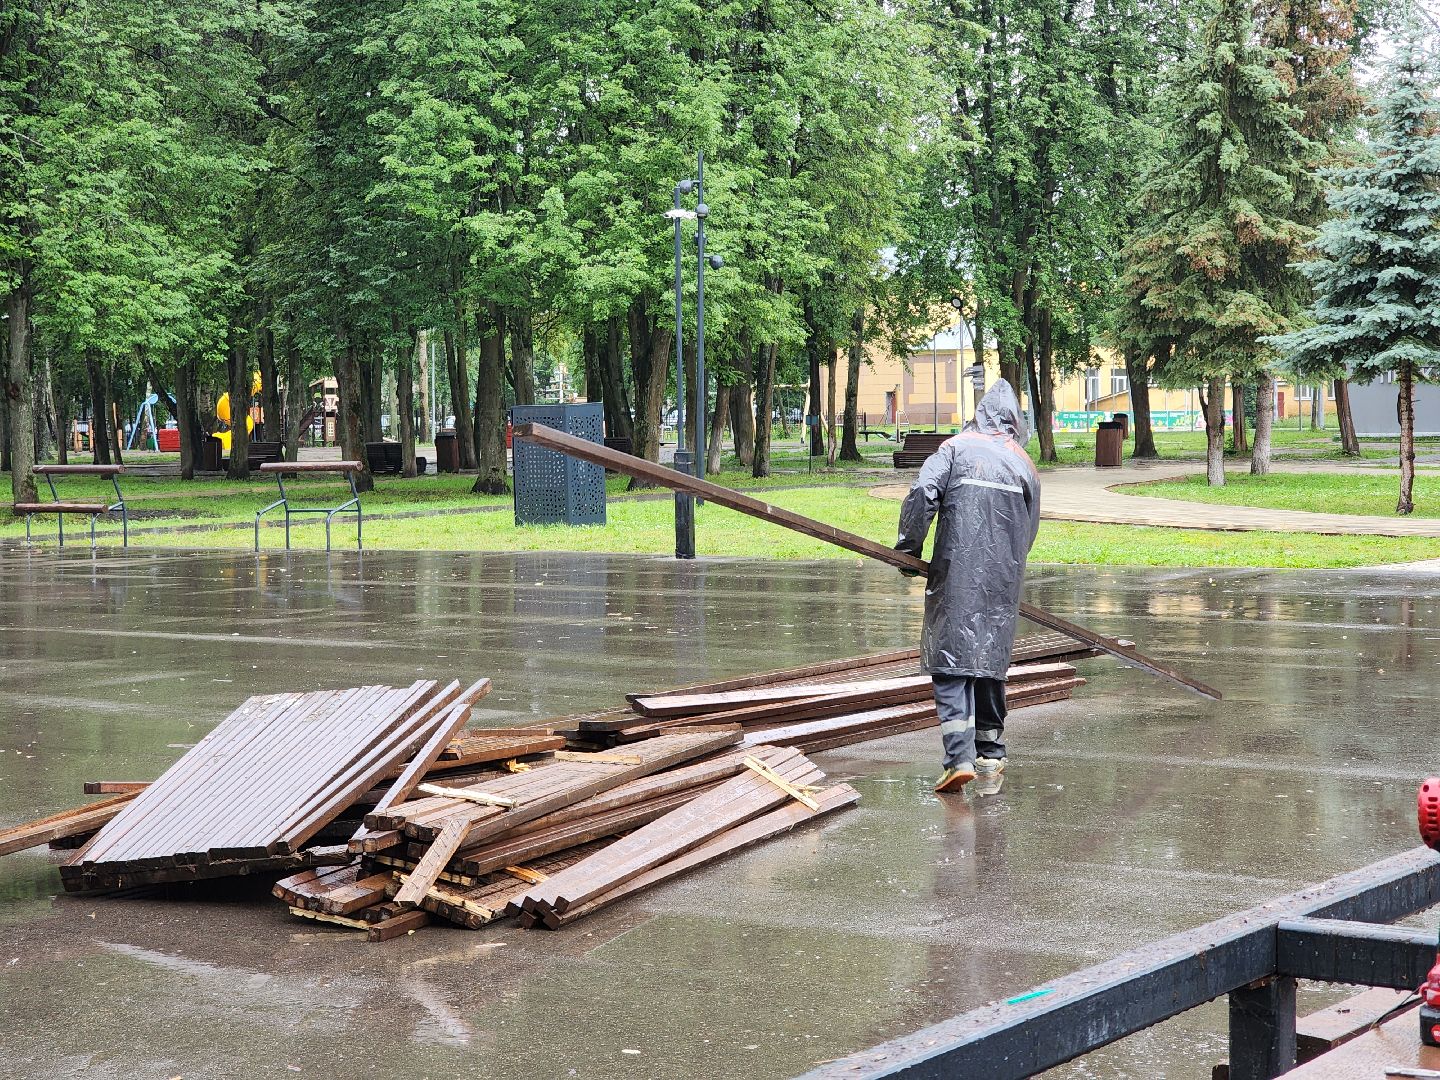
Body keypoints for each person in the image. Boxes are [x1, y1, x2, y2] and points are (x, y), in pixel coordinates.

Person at [895, 380, 1041, 793]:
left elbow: (923, 492)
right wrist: (1010, 565)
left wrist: (909, 548)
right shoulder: (1023, 463)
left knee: (950, 661)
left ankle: (958, 758)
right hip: (1003, 577)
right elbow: (1029, 529)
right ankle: (991, 755)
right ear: (1014, 422)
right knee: (990, 662)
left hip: (957, 570)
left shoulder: (954, 449)